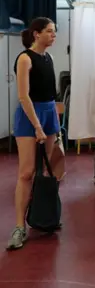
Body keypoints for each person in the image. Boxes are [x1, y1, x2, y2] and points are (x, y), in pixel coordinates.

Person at [6, 17, 61, 250]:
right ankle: (19, 227)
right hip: (30, 115)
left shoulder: (49, 58)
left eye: (54, 32)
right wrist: (37, 126)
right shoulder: (25, 59)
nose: (53, 35)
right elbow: (23, 95)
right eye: (49, 31)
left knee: (47, 169)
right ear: (36, 34)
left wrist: (53, 121)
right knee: (27, 172)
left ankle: (41, 215)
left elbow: (50, 93)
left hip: (49, 112)